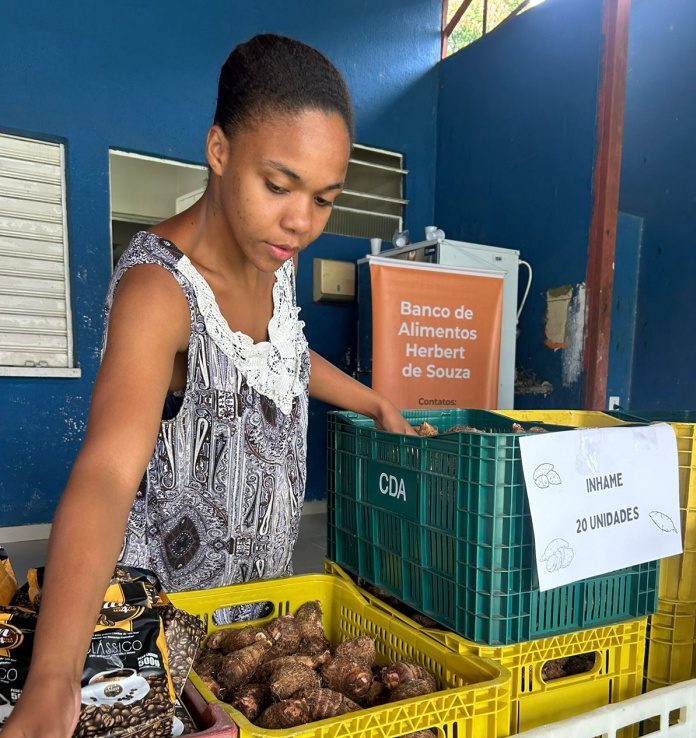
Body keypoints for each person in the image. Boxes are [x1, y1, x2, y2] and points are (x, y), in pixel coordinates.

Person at [3, 33, 413, 737]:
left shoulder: (272, 260)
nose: (300, 222)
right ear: (219, 151)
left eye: (323, 198)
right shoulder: (159, 291)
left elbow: (280, 359)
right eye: (278, 186)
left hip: (253, 619)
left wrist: (373, 400)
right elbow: (104, 472)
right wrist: (50, 680)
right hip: (165, 633)